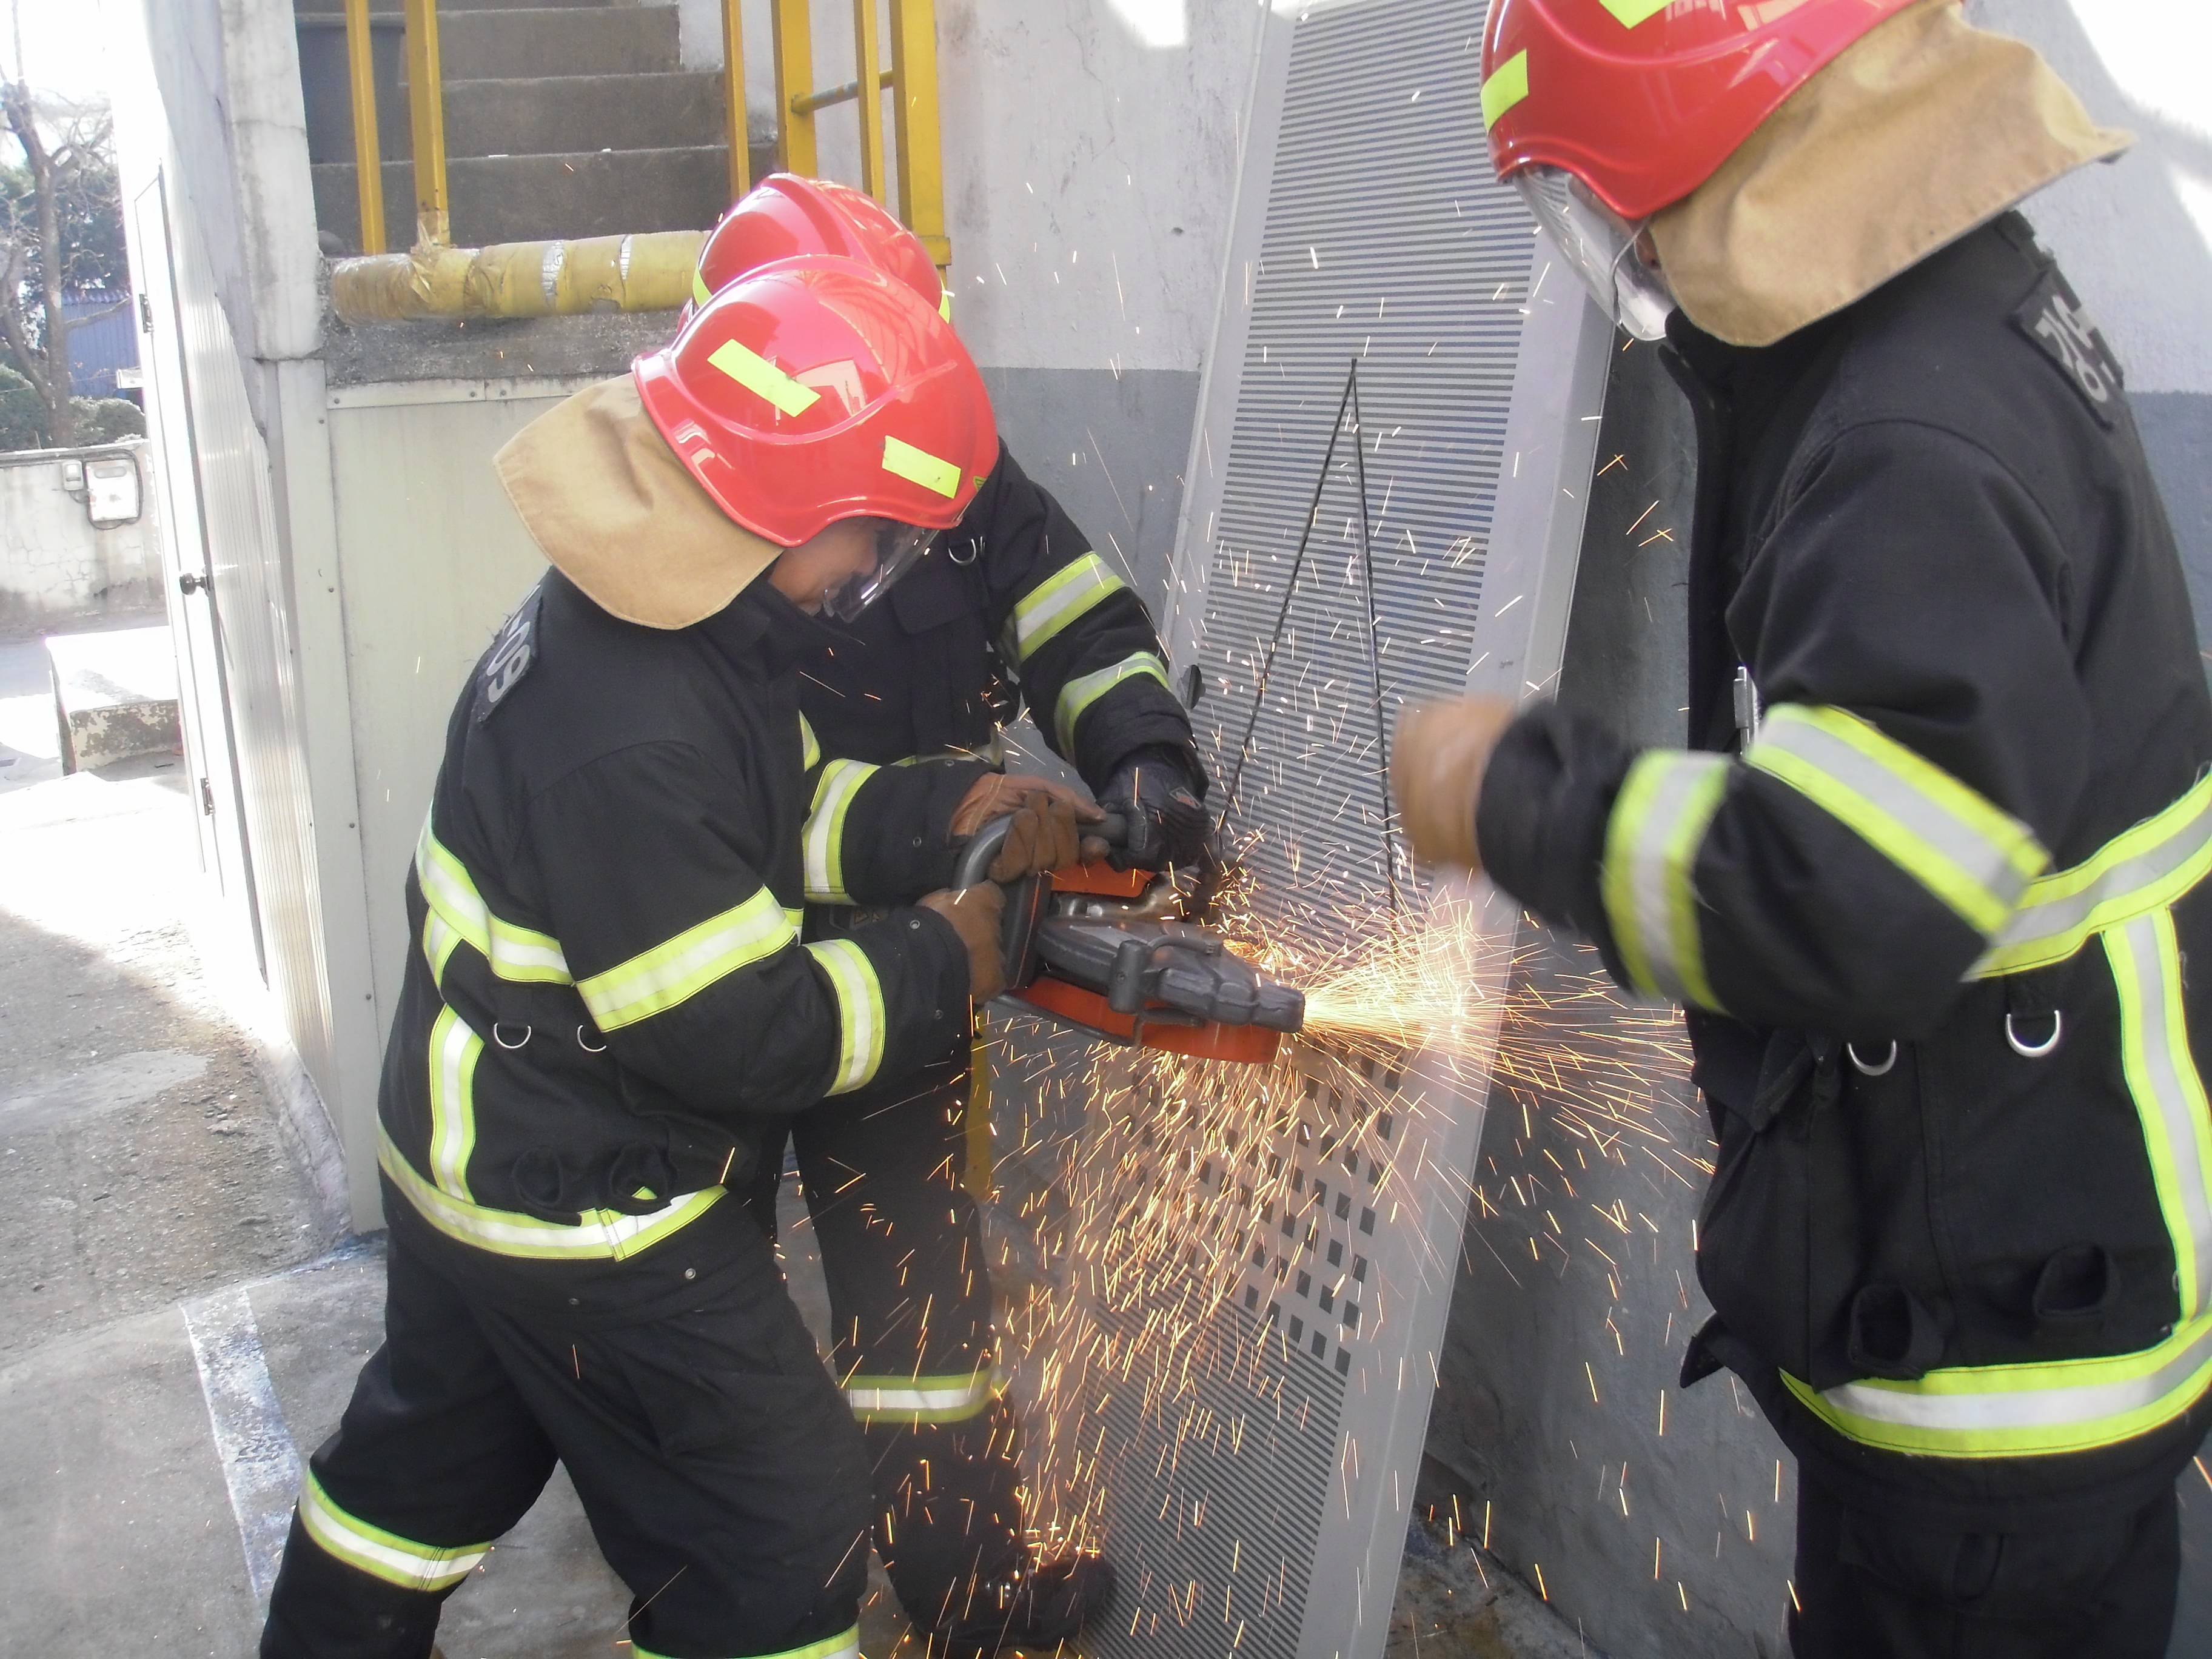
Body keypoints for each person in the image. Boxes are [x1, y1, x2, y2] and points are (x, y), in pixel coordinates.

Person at [1393, 2, 2210, 1654]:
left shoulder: (1903, 436)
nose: (1623, 251)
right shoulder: (1939, 315)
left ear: (1684, 158)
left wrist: (1517, 798)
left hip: (1998, 1377)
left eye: (1601, 202)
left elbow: (1844, 894)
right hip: (1999, 1267)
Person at [258, 255, 1088, 1659]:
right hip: (588, 1199)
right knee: (781, 1529)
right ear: (782, 502)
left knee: (418, 1481)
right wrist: (941, 960)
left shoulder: (678, 615)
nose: (870, 573)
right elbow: (734, 1032)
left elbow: (769, 812)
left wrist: (944, 808)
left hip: (482, 1162)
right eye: (867, 537)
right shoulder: (633, 717)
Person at [684, 174, 1203, 1654]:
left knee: (917, 1285)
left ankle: (965, 1589)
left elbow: (1066, 608)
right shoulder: (691, 533)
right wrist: (947, 818)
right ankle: (736, 1575)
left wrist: (1144, 755)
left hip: (917, 950)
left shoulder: (936, 452)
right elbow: (740, 795)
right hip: (726, 963)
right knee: (698, 1297)